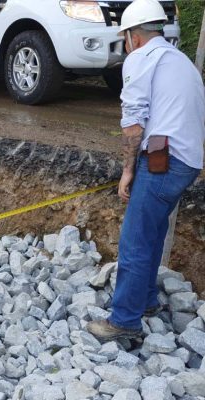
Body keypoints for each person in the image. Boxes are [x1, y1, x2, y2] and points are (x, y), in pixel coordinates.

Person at [87, 0, 205, 342]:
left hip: (163, 162)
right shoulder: (178, 60)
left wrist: (128, 172)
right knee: (152, 232)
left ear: (133, 37)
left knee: (135, 240)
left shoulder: (140, 59)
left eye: (126, 37)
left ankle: (124, 320)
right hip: (186, 162)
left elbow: (134, 124)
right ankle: (147, 300)